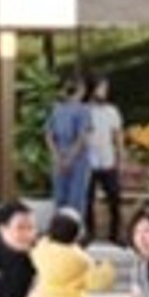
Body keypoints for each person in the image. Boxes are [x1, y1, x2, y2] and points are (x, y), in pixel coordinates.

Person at [44, 74, 92, 224]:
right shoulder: (83, 110)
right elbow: (82, 138)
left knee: (60, 198)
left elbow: (49, 136)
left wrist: (57, 157)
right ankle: (74, 232)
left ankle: (58, 231)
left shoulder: (56, 109)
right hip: (77, 160)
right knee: (75, 199)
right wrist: (69, 159)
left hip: (58, 157)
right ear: (81, 90)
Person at [84, 75, 125, 244]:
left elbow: (117, 136)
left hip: (108, 161)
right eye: (101, 88)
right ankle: (89, 234)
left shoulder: (112, 112)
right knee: (87, 200)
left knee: (115, 198)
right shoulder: (84, 111)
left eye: (106, 88)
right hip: (89, 162)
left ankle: (115, 234)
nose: (104, 92)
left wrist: (120, 157)